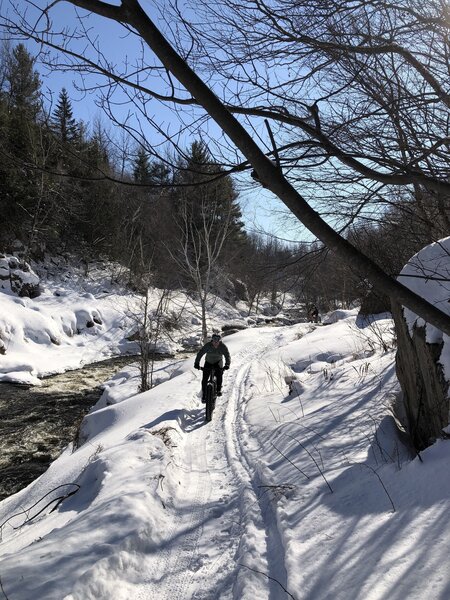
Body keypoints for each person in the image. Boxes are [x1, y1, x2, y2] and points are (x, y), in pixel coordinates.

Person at [194, 333, 230, 401]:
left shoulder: (223, 346)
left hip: (218, 362)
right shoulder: (208, 345)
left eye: (217, 340)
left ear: (220, 340)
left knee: (219, 374)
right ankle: (204, 395)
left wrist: (227, 364)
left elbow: (227, 355)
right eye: (214, 340)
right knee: (205, 379)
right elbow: (200, 353)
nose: (216, 342)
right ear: (212, 340)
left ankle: (218, 390)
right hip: (208, 362)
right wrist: (196, 363)